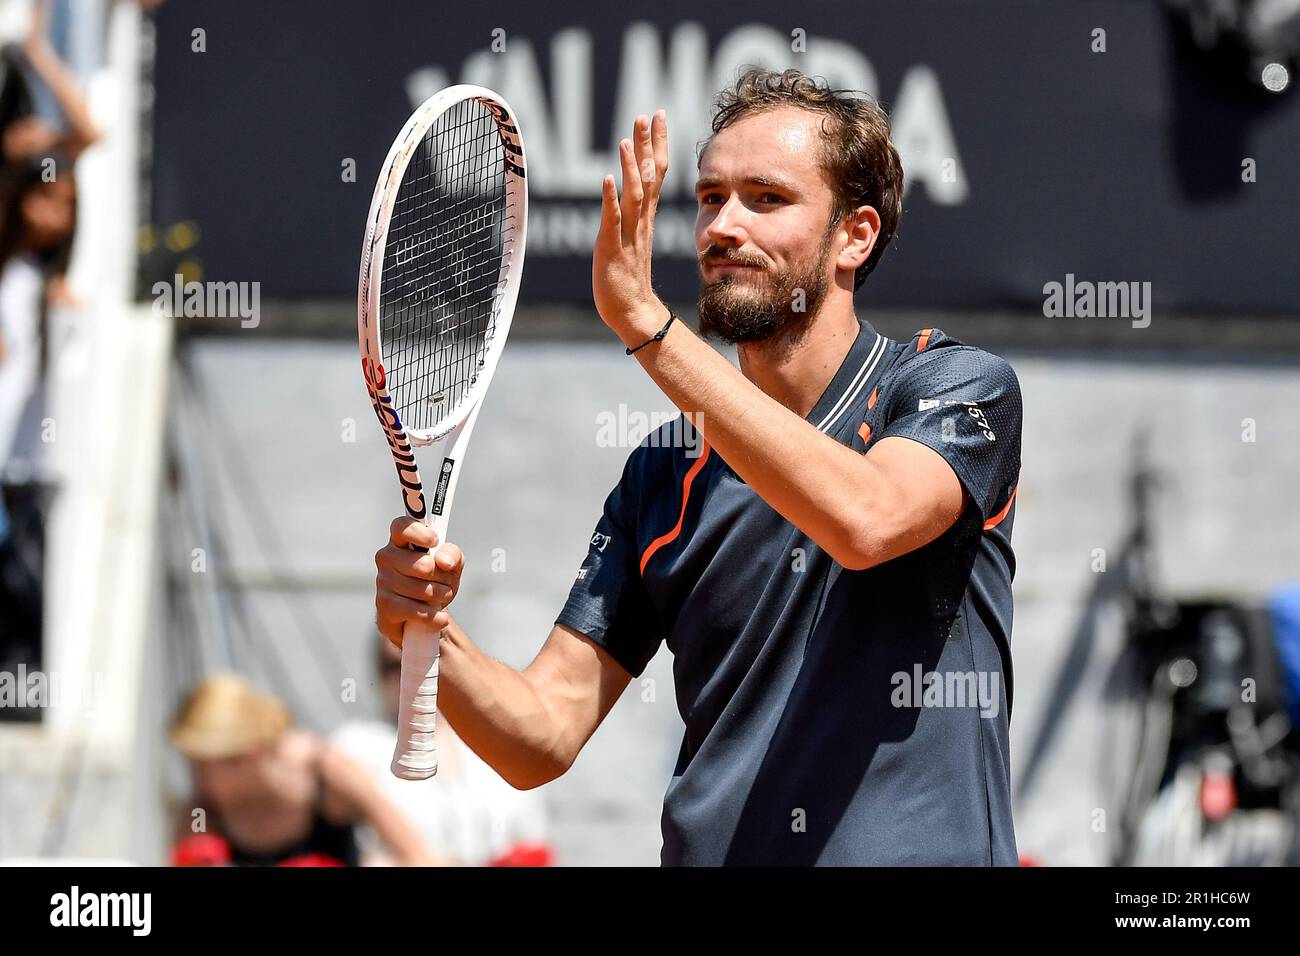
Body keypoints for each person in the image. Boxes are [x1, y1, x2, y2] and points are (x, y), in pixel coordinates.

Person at [374, 68, 1023, 865]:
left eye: (766, 198)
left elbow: (868, 520)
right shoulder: (665, 471)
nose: (723, 226)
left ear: (855, 234)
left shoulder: (953, 386)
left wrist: (648, 323)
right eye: (711, 198)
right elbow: (539, 737)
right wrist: (429, 630)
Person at [169, 673, 437, 866]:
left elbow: (419, 856)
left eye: (201, 766)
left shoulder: (323, 772)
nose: (195, 780)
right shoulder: (204, 810)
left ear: (246, 753)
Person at [331, 632, 551, 866]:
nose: (408, 674)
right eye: (394, 666)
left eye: (420, 659)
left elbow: (534, 846)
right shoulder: (360, 742)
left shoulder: (490, 744)